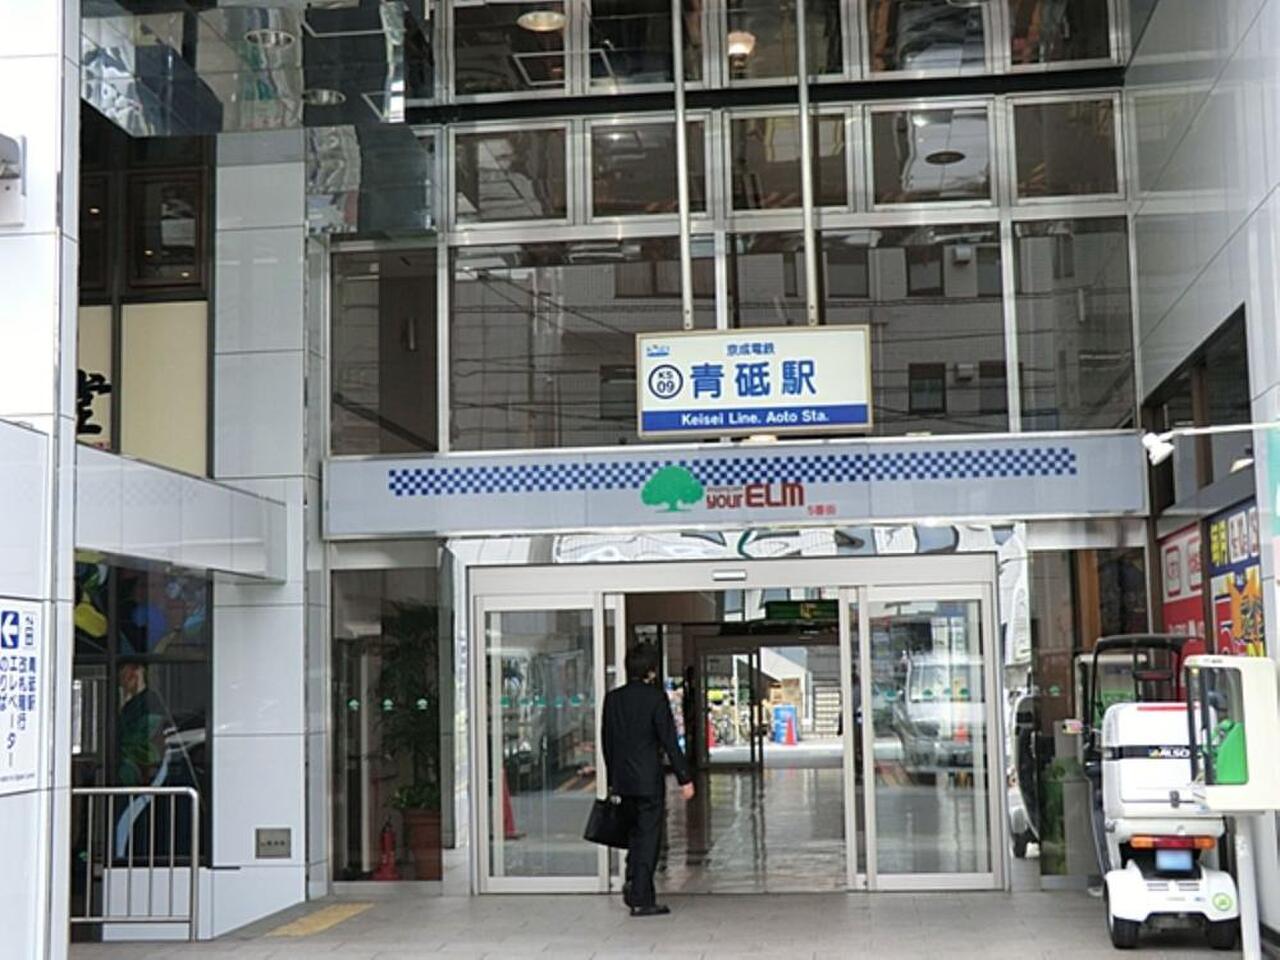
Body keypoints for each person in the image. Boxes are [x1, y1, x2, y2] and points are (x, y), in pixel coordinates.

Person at [602, 643, 694, 917]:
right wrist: (684, 778)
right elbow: (669, 740)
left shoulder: (613, 699)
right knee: (648, 839)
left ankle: (633, 882)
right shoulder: (655, 699)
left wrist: (612, 778)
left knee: (633, 835)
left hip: (623, 781)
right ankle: (641, 897)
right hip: (648, 781)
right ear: (651, 672)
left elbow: (607, 742)